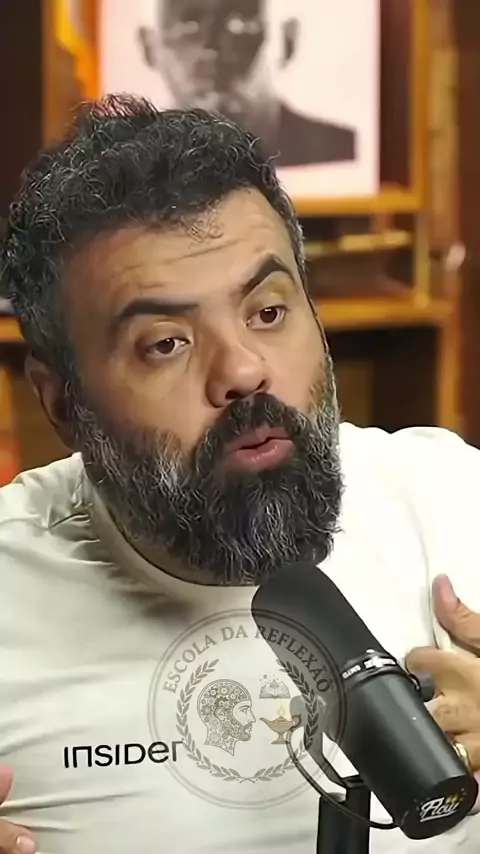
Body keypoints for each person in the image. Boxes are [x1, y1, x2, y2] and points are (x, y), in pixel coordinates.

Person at [0, 93, 480, 854]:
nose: (243, 371)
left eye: (267, 312)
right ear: (62, 402)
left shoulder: (452, 500)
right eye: (166, 343)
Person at [138, 0, 357, 167]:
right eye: (189, 25)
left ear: (287, 41)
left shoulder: (338, 150)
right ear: (149, 46)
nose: (211, 47)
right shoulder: (132, 166)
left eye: (240, 23)